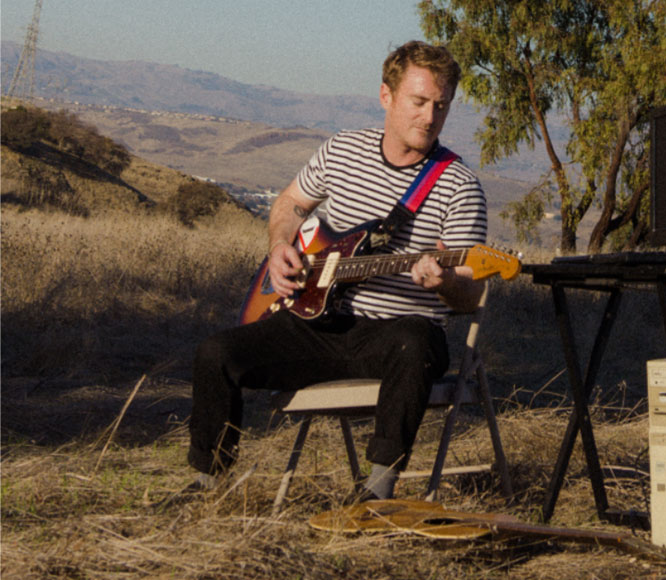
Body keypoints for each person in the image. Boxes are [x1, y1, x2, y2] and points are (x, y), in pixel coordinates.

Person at [186, 41, 487, 501]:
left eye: (441, 106)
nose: (430, 117)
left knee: (416, 341)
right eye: (419, 101)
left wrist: (445, 282)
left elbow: (470, 295)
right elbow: (289, 203)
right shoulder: (342, 150)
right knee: (215, 353)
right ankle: (206, 485)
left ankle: (376, 494)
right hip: (317, 325)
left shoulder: (459, 186)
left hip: (396, 335)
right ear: (386, 96)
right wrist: (279, 244)